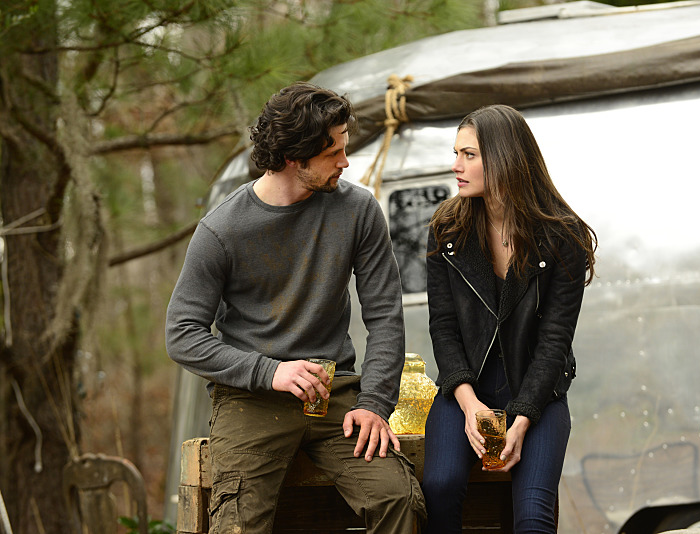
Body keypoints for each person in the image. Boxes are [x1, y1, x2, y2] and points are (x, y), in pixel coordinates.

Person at [166, 82, 424, 534]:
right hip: (252, 400)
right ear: (293, 157)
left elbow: (384, 315)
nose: (345, 162)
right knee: (237, 524)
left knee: (399, 498)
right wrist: (270, 372)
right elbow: (182, 334)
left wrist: (375, 404)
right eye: (333, 154)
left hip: (338, 395)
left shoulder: (358, 210)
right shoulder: (221, 230)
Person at [422, 104, 597, 533]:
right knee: (439, 487)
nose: (455, 166)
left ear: (503, 159)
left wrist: (522, 419)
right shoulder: (448, 230)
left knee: (534, 516)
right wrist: (468, 405)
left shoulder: (563, 237)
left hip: (537, 392)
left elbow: (555, 341)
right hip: (465, 388)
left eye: (469, 155)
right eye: (456, 153)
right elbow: (443, 327)